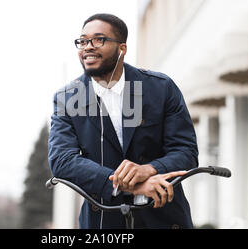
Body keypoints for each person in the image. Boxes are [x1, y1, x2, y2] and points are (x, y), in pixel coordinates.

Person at [48, 13, 198, 229]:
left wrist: (149, 169)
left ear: (122, 49)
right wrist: (128, 186)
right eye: (83, 41)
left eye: (99, 39)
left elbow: (186, 151)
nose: (88, 47)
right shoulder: (69, 97)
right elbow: (62, 161)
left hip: (163, 217)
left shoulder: (161, 88)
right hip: (103, 222)